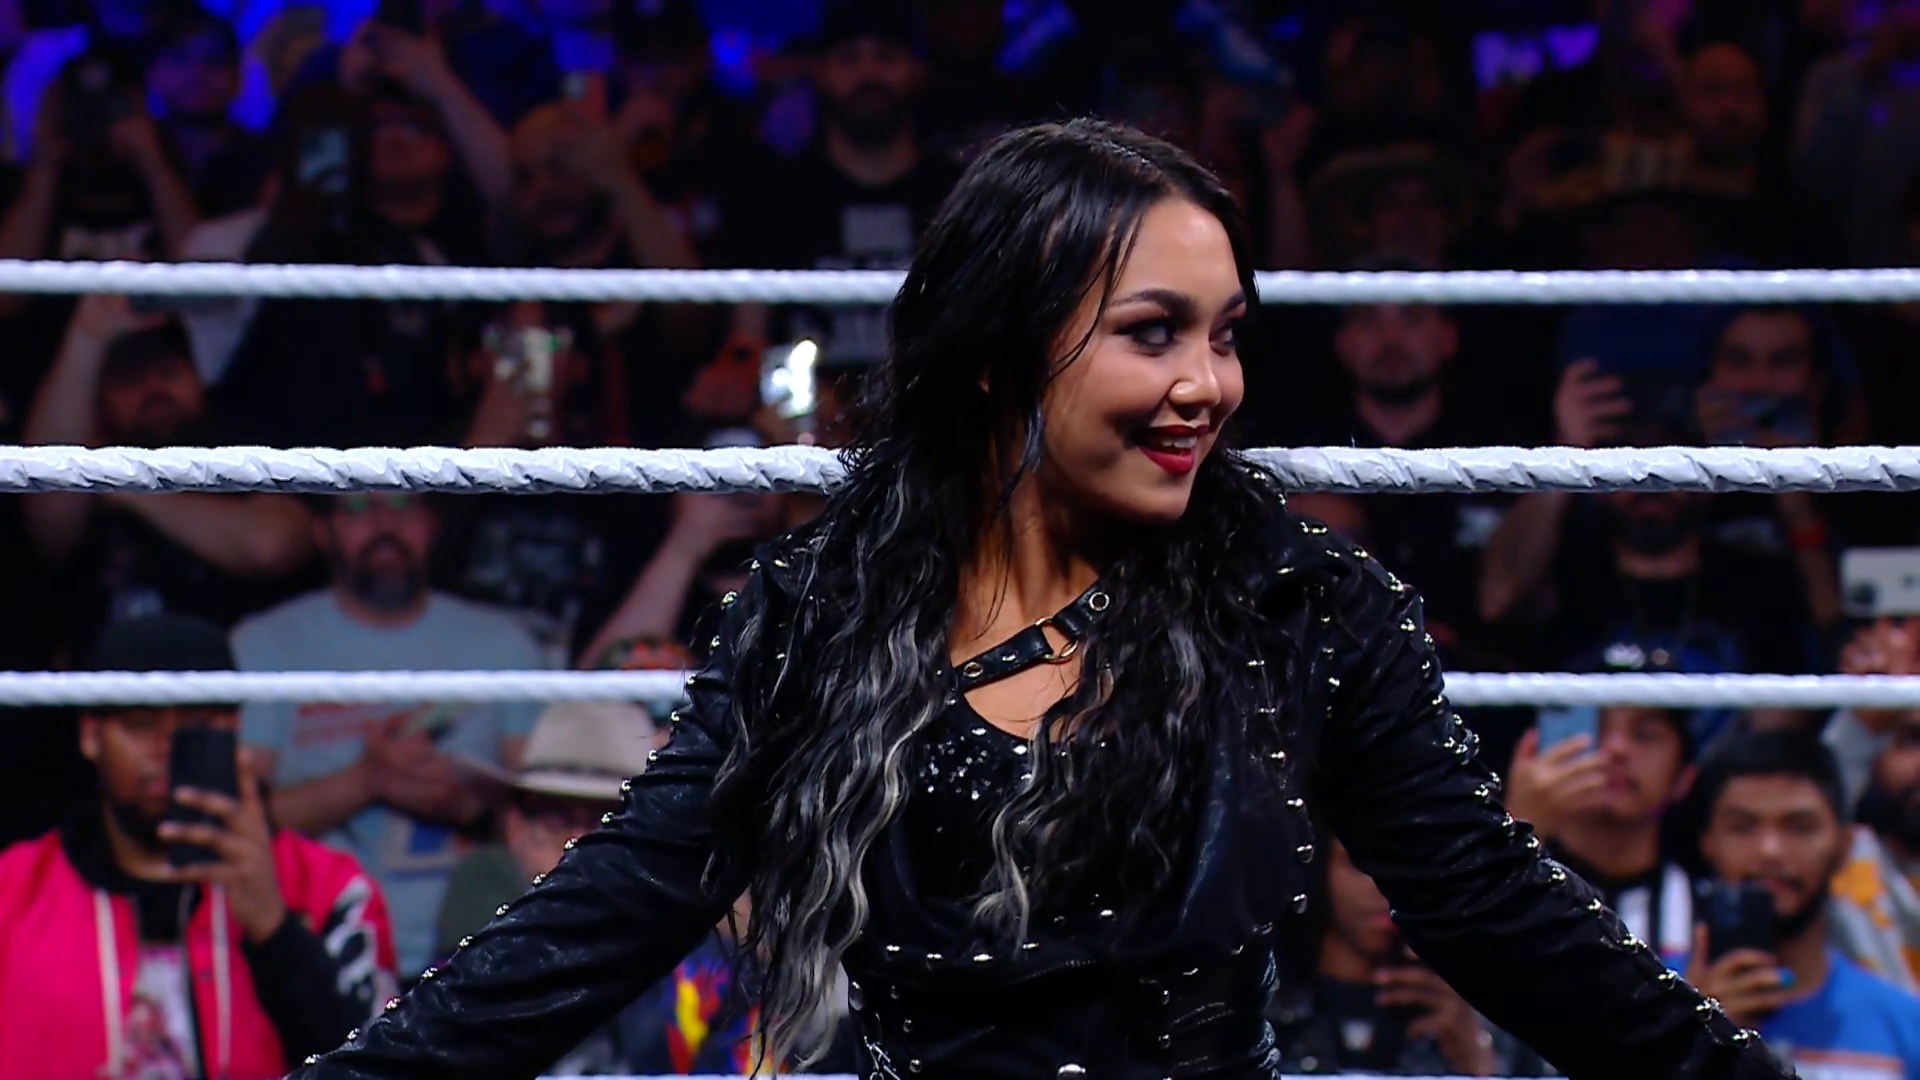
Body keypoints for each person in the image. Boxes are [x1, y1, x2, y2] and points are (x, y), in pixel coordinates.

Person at [288, 120, 1792, 1078]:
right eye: (1154, 333)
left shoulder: (1306, 605)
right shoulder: (823, 615)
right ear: (1002, 356)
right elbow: (614, 906)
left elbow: (1498, 910)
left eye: (1226, 333)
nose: (1209, 384)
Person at [0, 615, 398, 1077]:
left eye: (196, 724)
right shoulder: (11, 892)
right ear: (91, 735)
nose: (166, 746)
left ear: (235, 727)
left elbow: (385, 1068)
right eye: (141, 723)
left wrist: (273, 928)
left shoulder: (330, 888)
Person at [233, 492, 546, 977]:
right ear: (323, 532)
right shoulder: (266, 645)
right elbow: (236, 821)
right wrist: (367, 780)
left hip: (477, 954)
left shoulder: (504, 646)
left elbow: (554, 818)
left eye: (405, 504)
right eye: (359, 508)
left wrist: (472, 805)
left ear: (433, 524)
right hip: (311, 953)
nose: (385, 524)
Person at [1684, 732, 1920, 1078]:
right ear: (1707, 842)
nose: (1770, 850)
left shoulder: (1905, 1026)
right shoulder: (1645, 998)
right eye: (1742, 827)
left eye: (1799, 827)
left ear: (1844, 845)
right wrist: (1691, 1040)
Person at [1270, 838, 1549, 1075]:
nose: (1383, 887)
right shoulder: (1263, 1011)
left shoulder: (1488, 1014)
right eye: (1359, 863)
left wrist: (1478, 1065)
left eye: (1404, 866)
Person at [1506, 699, 1699, 966]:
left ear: (1685, 776)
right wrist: (1513, 834)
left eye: (1644, 735)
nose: (1617, 748)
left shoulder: (1711, 912)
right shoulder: (1491, 884)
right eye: (1596, 727)